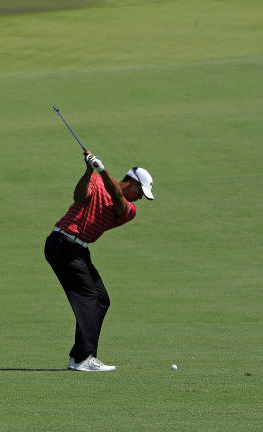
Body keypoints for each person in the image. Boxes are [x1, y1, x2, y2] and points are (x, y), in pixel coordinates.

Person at [44, 151, 154, 371]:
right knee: (89, 297)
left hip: (78, 249)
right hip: (62, 243)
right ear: (131, 182)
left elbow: (118, 201)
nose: (141, 197)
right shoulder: (95, 180)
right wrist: (88, 170)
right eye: (141, 191)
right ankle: (83, 358)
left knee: (101, 299)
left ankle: (81, 356)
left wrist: (101, 170)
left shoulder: (129, 210)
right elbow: (79, 197)